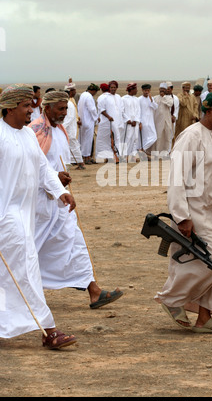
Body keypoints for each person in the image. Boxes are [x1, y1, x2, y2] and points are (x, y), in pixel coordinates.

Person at [155, 91, 212, 333]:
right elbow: (176, 179)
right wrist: (181, 217)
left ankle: (205, 318)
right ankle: (170, 299)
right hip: (197, 212)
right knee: (209, 262)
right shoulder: (191, 136)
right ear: (209, 111)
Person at [29, 90, 123, 308]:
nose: (64, 113)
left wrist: (62, 177)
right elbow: (30, 169)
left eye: (66, 109)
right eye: (60, 109)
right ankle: (20, 292)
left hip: (61, 202)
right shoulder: (34, 132)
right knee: (31, 250)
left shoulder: (60, 130)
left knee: (76, 242)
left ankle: (94, 291)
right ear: (47, 108)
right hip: (40, 204)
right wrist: (55, 178)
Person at [0, 84, 77, 349]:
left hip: (25, 213)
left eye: (32, 105)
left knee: (10, 272)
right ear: (10, 108)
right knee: (26, 267)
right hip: (5, 216)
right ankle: (50, 330)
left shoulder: (28, 136)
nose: (31, 110)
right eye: (26, 106)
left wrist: (59, 192)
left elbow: (43, 168)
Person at [96, 80, 128, 162]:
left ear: (117, 88)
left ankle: (118, 156)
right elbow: (101, 110)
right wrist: (109, 117)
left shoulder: (118, 97)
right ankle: (111, 157)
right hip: (109, 122)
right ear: (109, 88)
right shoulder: (105, 97)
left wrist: (125, 119)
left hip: (118, 122)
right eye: (111, 87)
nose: (113, 89)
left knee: (118, 139)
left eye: (114, 87)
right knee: (109, 140)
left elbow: (121, 110)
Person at [63, 81, 85, 170]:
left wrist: (62, 126)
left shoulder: (69, 103)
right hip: (68, 128)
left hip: (69, 128)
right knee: (70, 146)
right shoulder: (69, 102)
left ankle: (81, 163)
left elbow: (69, 118)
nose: (75, 92)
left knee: (74, 145)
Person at [150, 83, 173, 157]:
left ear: (166, 90)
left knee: (166, 136)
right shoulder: (155, 98)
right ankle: (156, 153)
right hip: (157, 120)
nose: (162, 91)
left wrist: (164, 97)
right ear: (159, 90)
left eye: (164, 89)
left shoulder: (169, 98)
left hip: (167, 120)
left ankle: (165, 153)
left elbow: (170, 104)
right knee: (158, 136)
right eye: (161, 89)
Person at [78, 83, 99, 164]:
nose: (95, 94)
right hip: (88, 122)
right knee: (88, 141)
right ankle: (87, 158)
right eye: (95, 92)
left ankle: (84, 157)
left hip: (82, 121)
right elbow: (92, 109)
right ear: (93, 91)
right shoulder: (89, 97)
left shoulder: (83, 95)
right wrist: (96, 119)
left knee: (83, 140)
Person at [121, 83, 141, 160]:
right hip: (127, 123)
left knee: (135, 138)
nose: (137, 91)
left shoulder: (136, 99)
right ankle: (124, 156)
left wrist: (136, 120)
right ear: (131, 90)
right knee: (127, 138)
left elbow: (138, 111)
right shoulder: (123, 99)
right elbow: (122, 111)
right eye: (135, 89)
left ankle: (133, 155)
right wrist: (128, 120)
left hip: (135, 123)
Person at [138, 84, 158, 157]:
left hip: (150, 121)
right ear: (142, 90)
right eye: (145, 90)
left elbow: (155, 107)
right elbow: (138, 111)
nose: (147, 92)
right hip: (143, 122)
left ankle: (142, 150)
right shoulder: (139, 99)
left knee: (154, 136)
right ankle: (142, 150)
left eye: (148, 90)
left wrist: (151, 100)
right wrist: (139, 122)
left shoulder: (151, 98)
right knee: (144, 138)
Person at [166, 81, 179, 151]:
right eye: (166, 89)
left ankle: (169, 150)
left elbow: (177, 108)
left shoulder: (176, 98)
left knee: (171, 135)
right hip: (166, 119)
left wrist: (174, 116)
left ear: (171, 89)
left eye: (169, 89)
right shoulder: (163, 97)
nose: (167, 90)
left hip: (173, 120)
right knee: (165, 136)